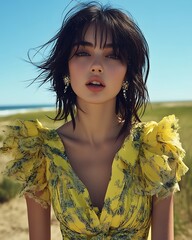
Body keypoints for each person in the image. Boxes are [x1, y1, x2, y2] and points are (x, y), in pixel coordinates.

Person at [0, 1, 189, 240]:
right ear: (66, 67)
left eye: (112, 55)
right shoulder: (41, 154)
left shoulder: (154, 148)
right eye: (83, 52)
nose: (97, 66)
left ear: (127, 72)